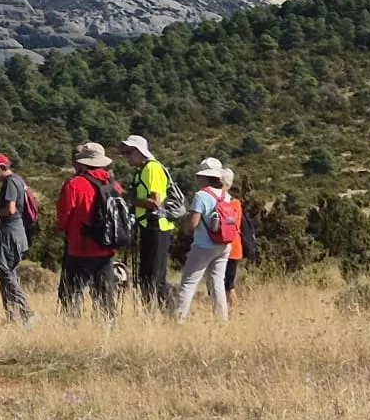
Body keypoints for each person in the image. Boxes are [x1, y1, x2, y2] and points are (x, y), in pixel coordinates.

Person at [55, 143, 123, 322]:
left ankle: (72, 327)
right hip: (107, 247)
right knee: (104, 293)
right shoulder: (114, 185)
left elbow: (63, 215)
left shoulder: (74, 184)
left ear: (83, 162)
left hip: (80, 246)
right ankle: (108, 326)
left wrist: (67, 231)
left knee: (71, 292)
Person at [174, 158, 236, 322]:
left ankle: (179, 320)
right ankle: (222, 320)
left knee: (188, 283)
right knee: (217, 282)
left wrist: (183, 222)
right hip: (224, 244)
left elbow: (193, 223)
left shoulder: (201, 195)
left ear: (205, 177)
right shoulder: (226, 195)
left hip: (203, 245)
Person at [121, 135, 175, 315]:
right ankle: (161, 315)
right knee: (150, 276)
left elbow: (155, 202)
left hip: (156, 227)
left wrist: (131, 201)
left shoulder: (151, 169)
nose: (126, 156)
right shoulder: (145, 169)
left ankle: (165, 316)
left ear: (139, 152)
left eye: (129, 152)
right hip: (151, 227)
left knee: (153, 277)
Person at [0, 153, 35, 326]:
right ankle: (12, 317)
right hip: (17, 233)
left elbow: (10, 209)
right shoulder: (19, 181)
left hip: (10, 233)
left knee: (6, 275)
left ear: (0, 168)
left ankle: (26, 312)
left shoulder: (10, 182)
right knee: (8, 274)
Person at [223, 170, 247, 314]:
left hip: (231, 249)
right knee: (226, 284)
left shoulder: (234, 203)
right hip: (233, 248)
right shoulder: (235, 203)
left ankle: (233, 310)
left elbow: (232, 223)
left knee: (228, 285)